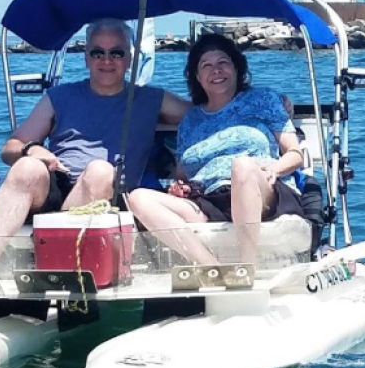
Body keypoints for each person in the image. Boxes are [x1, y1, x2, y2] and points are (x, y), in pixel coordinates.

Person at [0, 17, 190, 268]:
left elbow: (207, 113)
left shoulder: (150, 98)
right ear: (86, 58)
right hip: (59, 186)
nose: (107, 60)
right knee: (27, 167)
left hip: (111, 194)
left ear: (129, 59)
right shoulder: (60, 97)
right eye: (98, 52)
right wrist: (31, 149)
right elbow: (10, 148)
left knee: (100, 171)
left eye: (117, 52)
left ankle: (59, 263)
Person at [125, 33, 307, 266]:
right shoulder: (190, 120)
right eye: (207, 66)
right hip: (208, 200)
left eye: (223, 63)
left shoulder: (263, 100)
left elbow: (295, 154)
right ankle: (212, 267)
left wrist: (274, 169)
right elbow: (183, 176)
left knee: (241, 166)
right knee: (139, 199)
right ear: (198, 77)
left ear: (236, 68)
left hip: (260, 188)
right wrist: (178, 187)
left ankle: (246, 267)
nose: (216, 71)